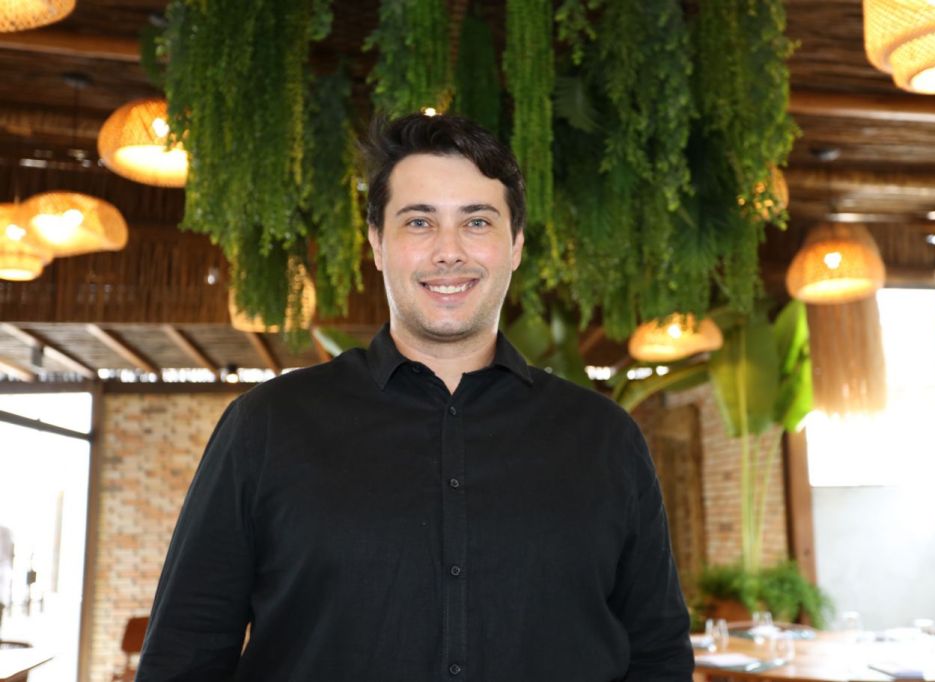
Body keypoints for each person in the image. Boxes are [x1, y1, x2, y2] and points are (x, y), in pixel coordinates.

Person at [136, 114, 694, 681]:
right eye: (420, 222)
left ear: (516, 245)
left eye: (477, 221)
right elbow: (184, 654)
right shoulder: (266, 425)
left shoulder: (605, 437)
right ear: (378, 244)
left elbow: (659, 656)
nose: (449, 251)